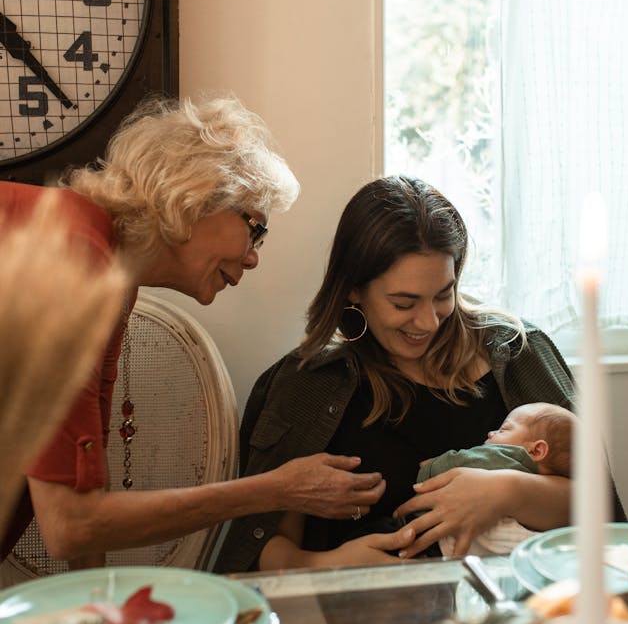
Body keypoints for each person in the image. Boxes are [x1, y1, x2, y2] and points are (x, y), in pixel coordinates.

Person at [0, 96, 387, 569]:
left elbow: (86, 492)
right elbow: (70, 525)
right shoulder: (76, 261)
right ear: (197, 196)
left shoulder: (113, 283)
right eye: (255, 229)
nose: (253, 258)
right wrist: (275, 490)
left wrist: (103, 621)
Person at [215, 176, 625, 574]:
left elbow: (598, 508)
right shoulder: (309, 384)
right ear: (354, 289)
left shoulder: (517, 355)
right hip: (370, 623)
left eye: (443, 295)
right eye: (403, 302)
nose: (428, 322)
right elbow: (260, 547)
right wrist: (328, 565)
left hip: (516, 621)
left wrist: (506, 492)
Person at [417, 401, 576, 558]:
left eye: (504, 429)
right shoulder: (546, 493)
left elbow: (464, 460)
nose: (491, 433)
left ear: (536, 450)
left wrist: (432, 466)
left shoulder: (507, 456)